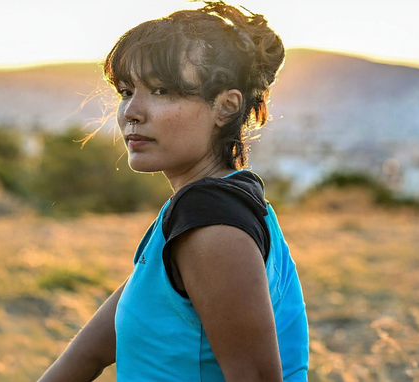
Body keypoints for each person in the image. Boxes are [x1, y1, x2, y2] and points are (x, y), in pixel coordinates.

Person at [37, 1, 308, 381]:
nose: (132, 111)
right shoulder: (198, 213)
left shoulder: (213, 226)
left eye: (163, 90)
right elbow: (91, 350)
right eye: (126, 90)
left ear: (226, 108)